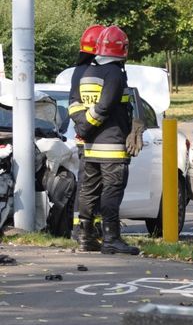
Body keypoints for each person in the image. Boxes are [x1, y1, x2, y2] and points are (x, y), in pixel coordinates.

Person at [71, 25, 140, 255]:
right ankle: (111, 239)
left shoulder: (89, 71)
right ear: (121, 48)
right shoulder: (114, 73)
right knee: (112, 190)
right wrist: (88, 125)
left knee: (88, 190)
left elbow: (81, 104)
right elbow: (106, 105)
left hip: (90, 145)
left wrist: (84, 128)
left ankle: (85, 237)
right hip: (111, 144)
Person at [68, 24, 105, 252]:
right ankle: (89, 229)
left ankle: (82, 229)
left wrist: (83, 126)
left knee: (87, 186)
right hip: (98, 138)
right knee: (95, 187)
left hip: (84, 136)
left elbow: (74, 105)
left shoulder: (78, 71)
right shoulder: (99, 72)